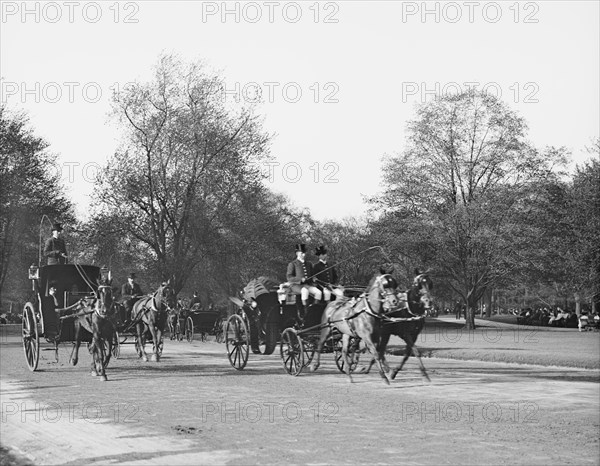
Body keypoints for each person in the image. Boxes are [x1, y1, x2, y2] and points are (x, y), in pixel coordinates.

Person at [286, 244, 322, 317]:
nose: (303, 254)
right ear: (297, 253)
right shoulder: (292, 264)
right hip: (296, 285)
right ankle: (305, 312)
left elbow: (312, 275)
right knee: (305, 291)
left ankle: (313, 309)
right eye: (301, 253)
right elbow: (289, 277)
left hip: (307, 285)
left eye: (304, 253)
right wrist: (300, 279)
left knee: (318, 292)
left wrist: (314, 278)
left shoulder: (309, 264)